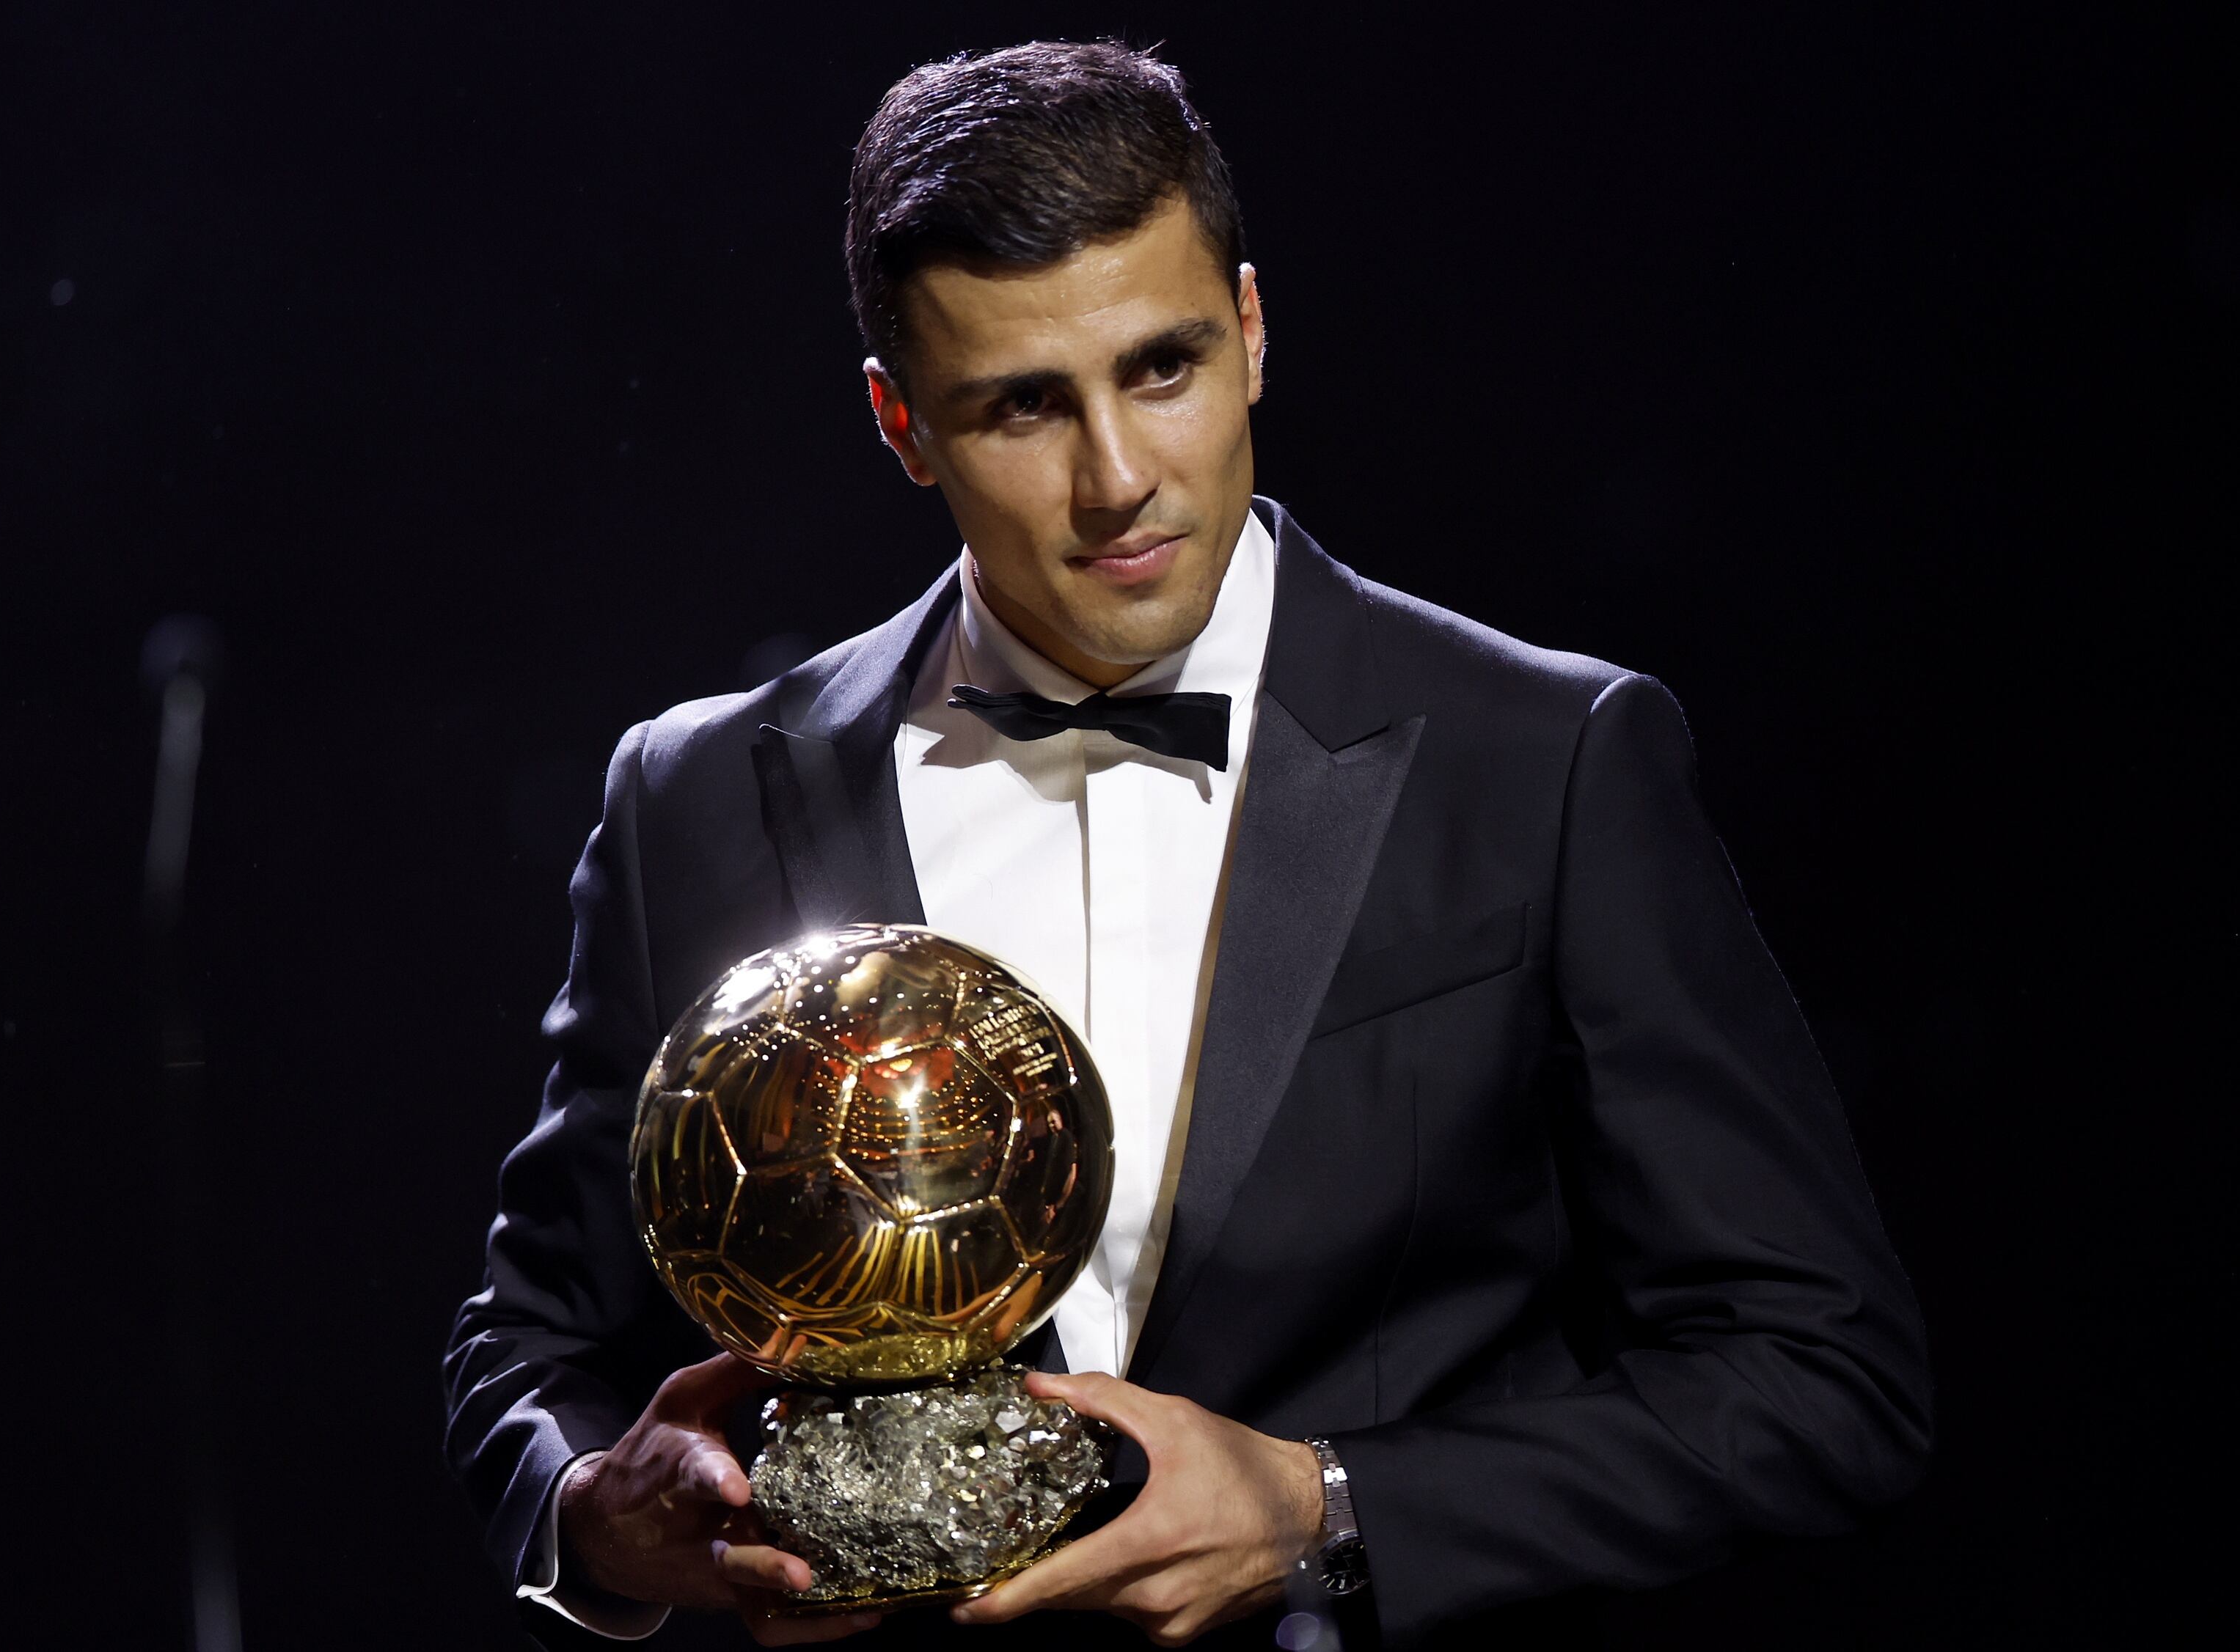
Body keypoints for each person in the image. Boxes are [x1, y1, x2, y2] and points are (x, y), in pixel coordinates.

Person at [444, 40, 1931, 1651]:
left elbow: (1820, 1376)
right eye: (1022, 405)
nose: (1118, 476)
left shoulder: (1550, 757)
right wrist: (599, 1510)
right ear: (902, 427)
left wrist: (1324, 1504)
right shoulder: (693, 795)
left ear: (1252, 327)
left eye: (1163, 367)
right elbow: (531, 1349)